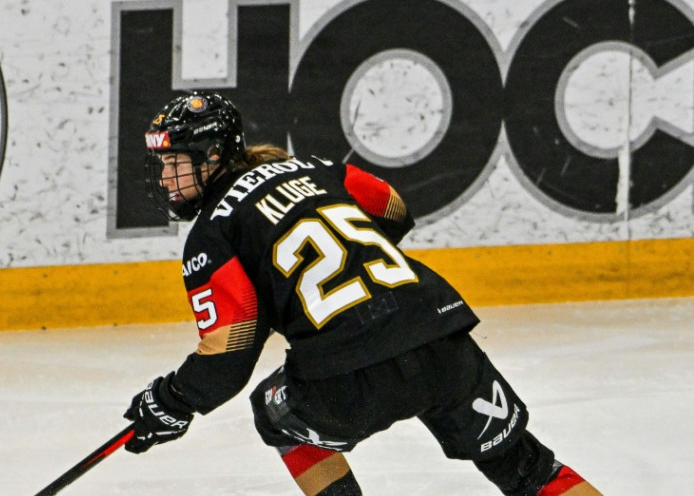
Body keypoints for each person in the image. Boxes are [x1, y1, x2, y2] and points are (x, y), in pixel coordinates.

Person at [122, 91, 602, 496]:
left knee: (276, 412)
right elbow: (393, 208)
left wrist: (171, 399)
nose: (165, 179)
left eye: (175, 163)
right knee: (528, 469)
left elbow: (228, 355)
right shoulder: (316, 168)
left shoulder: (211, 233)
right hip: (438, 333)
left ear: (212, 157)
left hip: (349, 374)